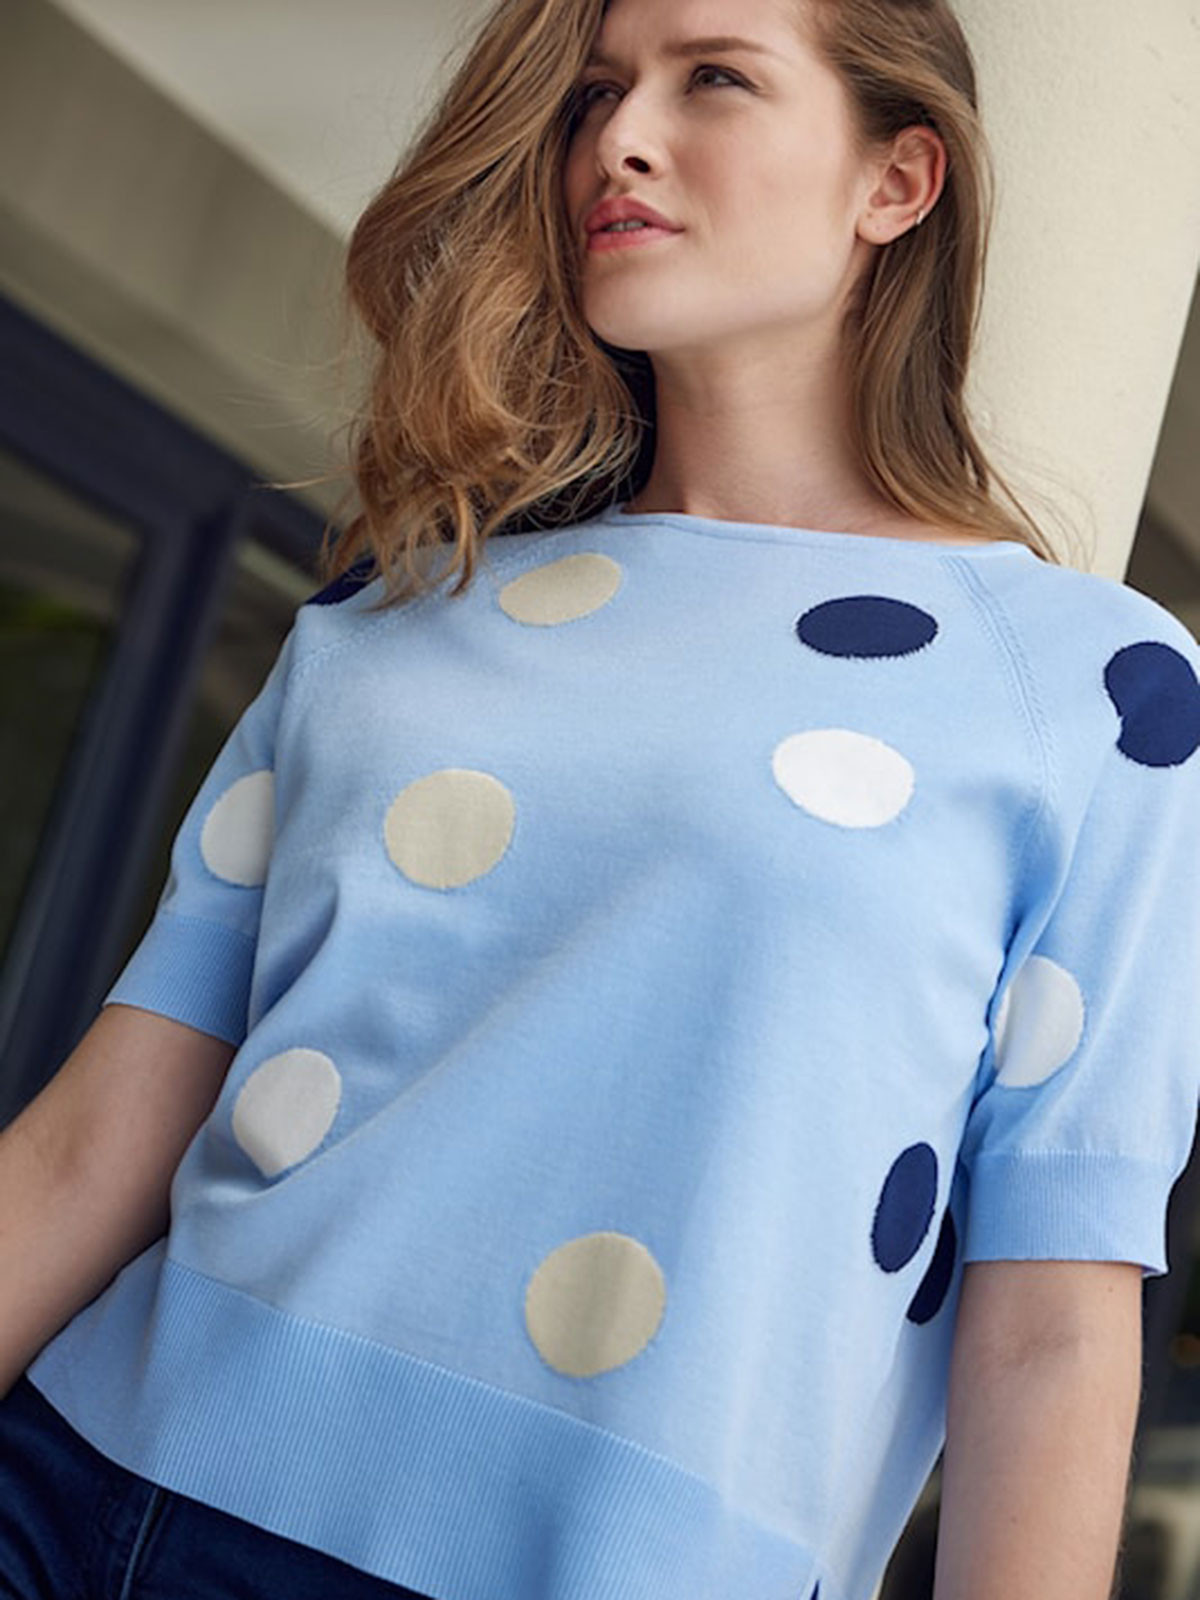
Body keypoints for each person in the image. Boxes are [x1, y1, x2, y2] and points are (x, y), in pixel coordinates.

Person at [2, 0, 1198, 1596]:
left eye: (715, 80)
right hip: (83, 1497)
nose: (620, 140)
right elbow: (92, 1145)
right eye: (593, 96)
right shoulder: (394, 616)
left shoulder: (1095, 689)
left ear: (897, 182)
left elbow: (1052, 1323)